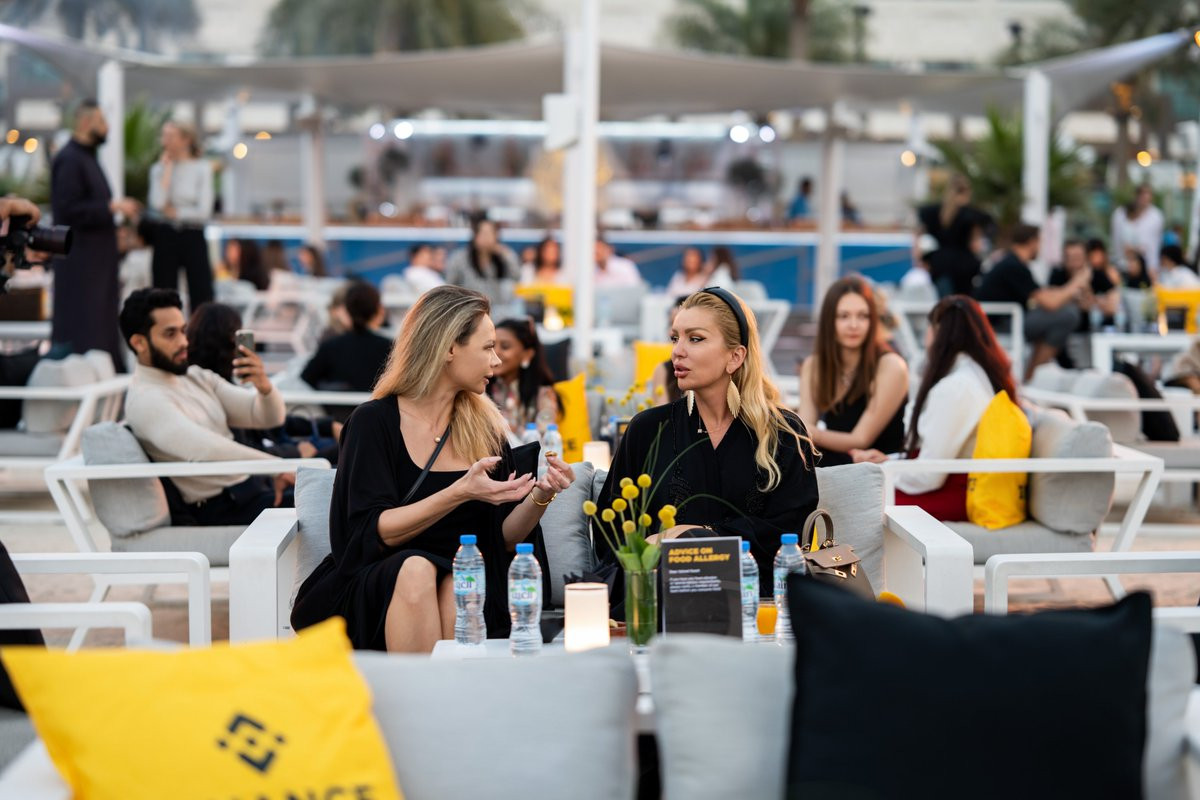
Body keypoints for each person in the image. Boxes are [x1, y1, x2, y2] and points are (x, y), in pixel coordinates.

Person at [290, 285, 576, 653]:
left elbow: (503, 538)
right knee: (417, 569)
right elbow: (372, 532)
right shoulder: (373, 422)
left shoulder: (484, 428)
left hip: (462, 580)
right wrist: (460, 492)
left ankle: (437, 689)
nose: (496, 361)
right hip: (379, 583)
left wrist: (542, 494)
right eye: (488, 347)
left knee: (457, 580)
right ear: (449, 347)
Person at [597, 287, 818, 594]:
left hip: (757, 602)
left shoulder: (782, 432)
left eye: (695, 339)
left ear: (735, 356)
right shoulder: (647, 430)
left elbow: (788, 536)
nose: (677, 351)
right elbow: (611, 539)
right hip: (663, 600)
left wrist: (694, 535)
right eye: (675, 338)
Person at [120, 288, 293, 525]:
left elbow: (266, 418)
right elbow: (206, 449)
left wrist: (264, 388)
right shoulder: (145, 399)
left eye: (183, 331)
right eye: (170, 334)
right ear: (139, 343)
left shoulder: (195, 376)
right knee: (332, 499)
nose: (183, 342)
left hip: (252, 491)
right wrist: (279, 468)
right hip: (223, 508)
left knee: (337, 489)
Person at [852, 296, 1017, 521]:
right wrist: (889, 463)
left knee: (857, 501)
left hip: (955, 494)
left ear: (939, 332)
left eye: (929, 328)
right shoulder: (976, 375)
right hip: (960, 486)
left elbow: (929, 476)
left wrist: (883, 470)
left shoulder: (956, 387)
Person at [50, 99, 141, 372]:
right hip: (81, 265)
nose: (107, 127)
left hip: (96, 263)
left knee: (100, 324)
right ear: (85, 122)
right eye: (102, 121)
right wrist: (111, 207)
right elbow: (69, 208)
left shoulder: (86, 158)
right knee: (84, 327)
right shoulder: (69, 159)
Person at [187, 302, 340, 464]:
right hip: (269, 469)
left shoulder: (217, 383)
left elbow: (271, 423)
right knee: (344, 449)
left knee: (345, 446)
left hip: (273, 458)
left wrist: (326, 426)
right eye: (239, 338)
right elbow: (242, 448)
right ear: (228, 341)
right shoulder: (210, 391)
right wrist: (296, 452)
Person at [798, 276, 909, 467]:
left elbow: (860, 439)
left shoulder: (891, 365)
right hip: (834, 466)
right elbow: (804, 430)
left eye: (863, 316)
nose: (854, 325)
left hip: (879, 470)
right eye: (844, 316)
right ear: (829, 321)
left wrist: (807, 432)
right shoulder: (814, 365)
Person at [974, 223, 1086, 380]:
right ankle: (1031, 379)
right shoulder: (1013, 265)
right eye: (1040, 242)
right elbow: (1050, 303)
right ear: (1032, 242)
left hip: (1007, 320)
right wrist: (1076, 283)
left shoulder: (1013, 263)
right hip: (1001, 324)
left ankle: (1032, 376)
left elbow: (1041, 294)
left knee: (1057, 319)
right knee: (1069, 315)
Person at [144, 120, 214, 310]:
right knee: (163, 293)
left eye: (170, 136)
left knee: (201, 291)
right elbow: (157, 204)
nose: (164, 141)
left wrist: (176, 212)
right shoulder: (158, 169)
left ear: (186, 139)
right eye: (163, 136)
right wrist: (167, 171)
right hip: (166, 234)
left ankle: (202, 328)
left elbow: (204, 212)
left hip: (193, 234)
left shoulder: (202, 168)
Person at [301, 281, 392, 393]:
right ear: (377, 309)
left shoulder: (331, 346)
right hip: (377, 403)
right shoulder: (389, 347)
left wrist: (331, 390)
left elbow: (307, 377)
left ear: (348, 309)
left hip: (337, 404)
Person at [917, 173, 991, 297]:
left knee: (946, 302)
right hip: (964, 267)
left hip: (941, 265)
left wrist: (921, 257)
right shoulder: (970, 214)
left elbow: (919, 231)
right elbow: (976, 243)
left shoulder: (935, 211)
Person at [488, 318, 560, 437]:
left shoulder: (543, 395)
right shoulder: (480, 390)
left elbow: (545, 438)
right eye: (491, 346)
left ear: (527, 355)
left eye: (505, 346)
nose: (495, 352)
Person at [443, 217, 519, 305]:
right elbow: (449, 286)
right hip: (467, 307)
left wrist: (505, 254)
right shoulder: (459, 259)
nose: (487, 238)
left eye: (491, 233)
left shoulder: (500, 258)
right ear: (475, 235)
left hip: (494, 308)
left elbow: (516, 276)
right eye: (484, 233)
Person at [1048, 239, 1120, 329]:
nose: (1074, 262)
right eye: (1069, 257)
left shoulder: (1096, 274)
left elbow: (1112, 304)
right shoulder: (1057, 274)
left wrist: (1093, 299)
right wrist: (1077, 284)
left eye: (1077, 257)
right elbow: (1051, 300)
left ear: (1086, 258)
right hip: (1064, 328)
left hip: (1095, 328)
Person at [1112, 185, 1164, 275]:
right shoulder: (1120, 214)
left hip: (1148, 266)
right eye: (1142, 194)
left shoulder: (1156, 216)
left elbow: (1156, 243)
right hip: (1124, 264)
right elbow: (1117, 241)